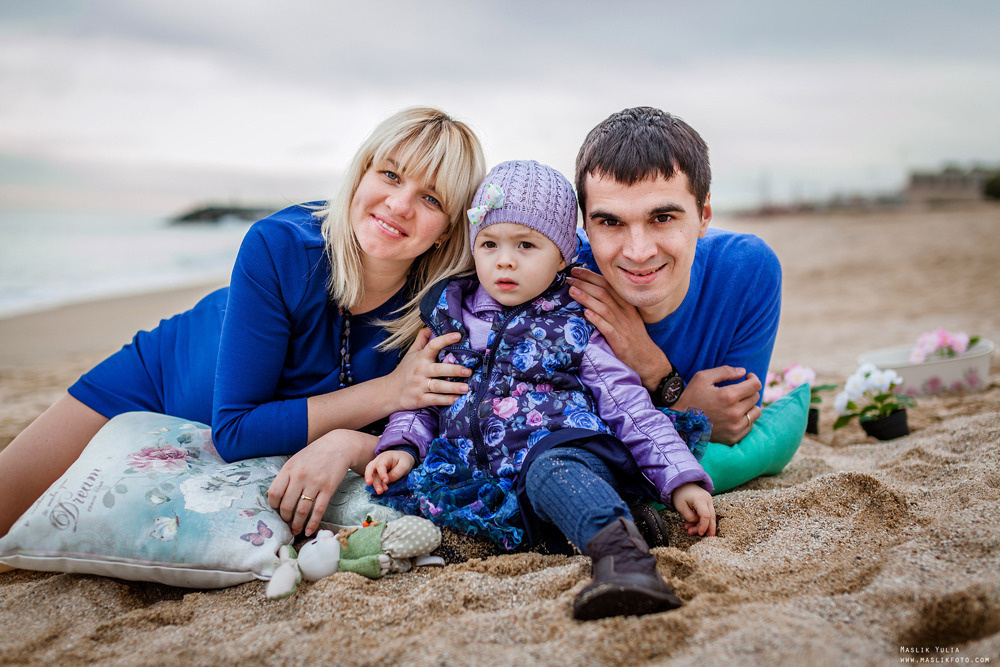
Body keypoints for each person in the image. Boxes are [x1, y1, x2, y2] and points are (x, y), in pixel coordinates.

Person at [0, 107, 485, 539]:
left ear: (447, 231)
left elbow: (453, 434)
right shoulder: (280, 247)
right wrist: (387, 393)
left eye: (431, 199)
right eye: (392, 175)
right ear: (361, 174)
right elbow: (234, 431)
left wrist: (351, 444)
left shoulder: (447, 304)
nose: (400, 205)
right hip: (159, 377)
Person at [365, 160, 716, 621]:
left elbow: (630, 407)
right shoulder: (451, 317)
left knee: (552, 471)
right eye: (489, 244)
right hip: (486, 472)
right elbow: (423, 399)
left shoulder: (575, 323)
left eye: (526, 245)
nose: (504, 260)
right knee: (517, 520)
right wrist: (403, 445)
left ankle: (626, 563)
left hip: (564, 450)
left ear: (563, 254)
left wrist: (681, 477)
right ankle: (631, 520)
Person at [567, 107, 782, 445]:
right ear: (585, 228)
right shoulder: (560, 273)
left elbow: (730, 423)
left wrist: (654, 369)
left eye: (663, 218)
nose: (638, 253)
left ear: (704, 215)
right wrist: (685, 411)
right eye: (610, 222)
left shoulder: (746, 270)